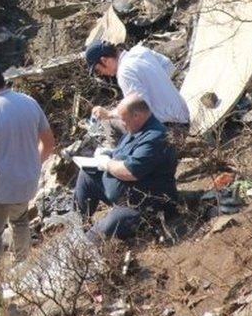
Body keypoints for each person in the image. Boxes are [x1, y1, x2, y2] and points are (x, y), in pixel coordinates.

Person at [0, 62, 56, 272]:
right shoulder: (29, 102)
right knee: (20, 222)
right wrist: (32, 164)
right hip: (27, 183)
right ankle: (23, 274)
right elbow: (49, 144)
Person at [73, 95, 178, 242]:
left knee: (103, 230)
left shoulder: (155, 137)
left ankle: (86, 245)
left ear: (137, 116)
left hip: (142, 205)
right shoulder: (135, 129)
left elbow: (130, 172)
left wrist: (107, 164)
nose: (121, 123)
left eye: (123, 119)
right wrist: (107, 154)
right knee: (87, 174)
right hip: (123, 194)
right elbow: (121, 153)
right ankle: (78, 226)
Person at [84, 40, 190, 127]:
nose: (101, 74)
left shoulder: (124, 73)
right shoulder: (139, 50)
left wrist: (109, 114)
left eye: (98, 70)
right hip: (183, 112)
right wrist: (157, 85)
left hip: (169, 124)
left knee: (109, 124)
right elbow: (169, 66)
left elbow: (139, 110)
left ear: (105, 60)